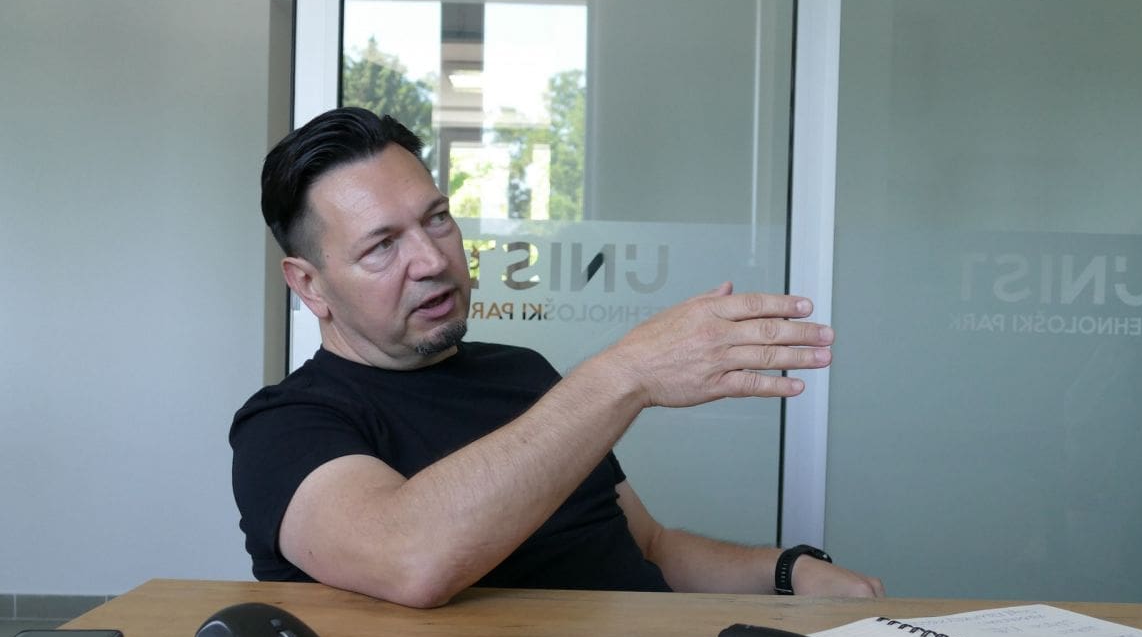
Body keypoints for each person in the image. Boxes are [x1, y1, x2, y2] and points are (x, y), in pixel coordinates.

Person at [231, 107, 883, 608]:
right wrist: (626, 373)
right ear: (310, 285)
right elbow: (411, 559)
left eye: (436, 219)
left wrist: (789, 572)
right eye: (382, 246)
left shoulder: (521, 372)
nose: (432, 260)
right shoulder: (284, 428)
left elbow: (650, 547)